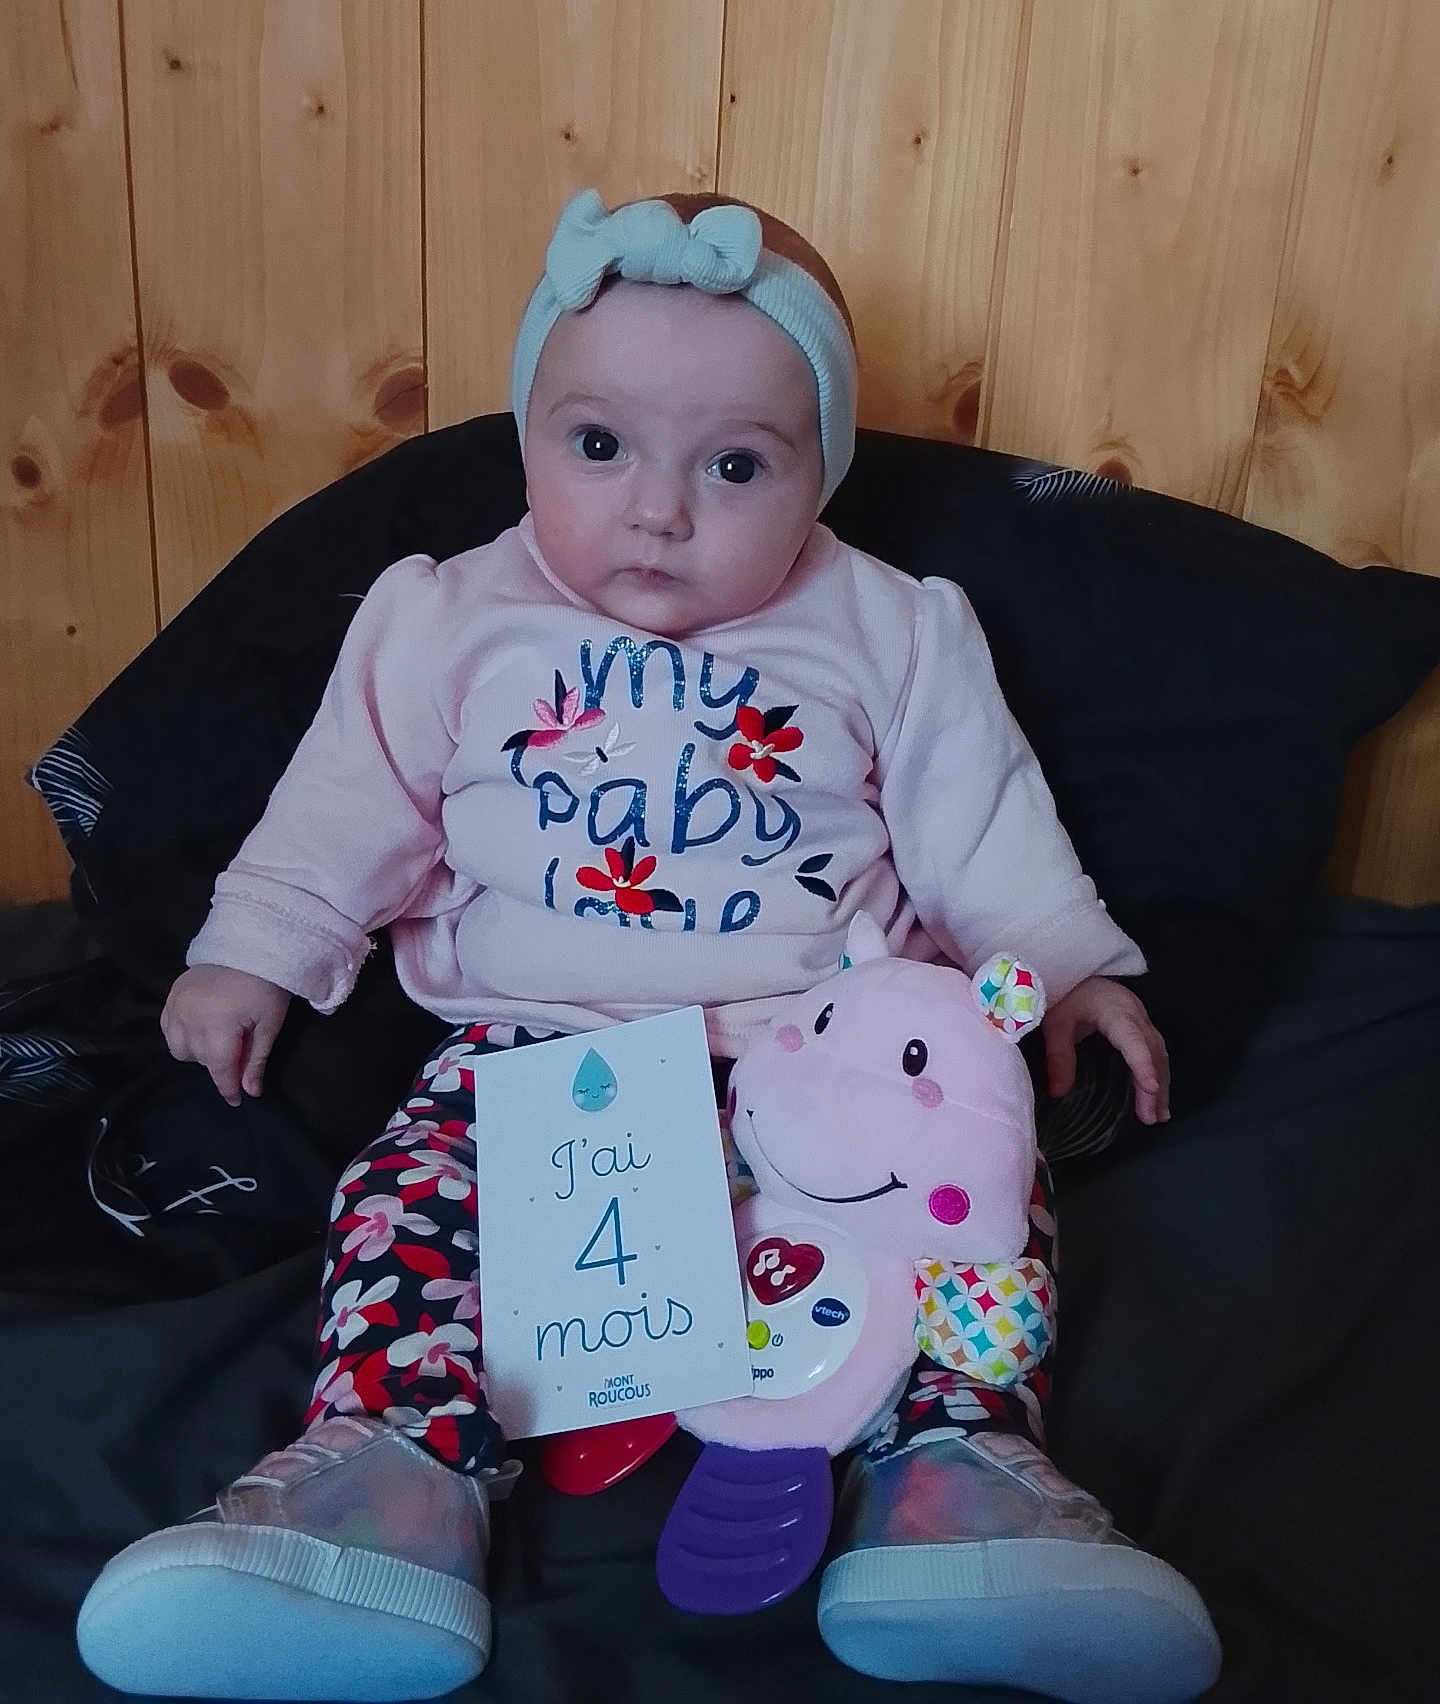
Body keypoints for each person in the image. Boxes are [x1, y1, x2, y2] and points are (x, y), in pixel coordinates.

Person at [76, 189, 1218, 1703]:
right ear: (526, 434)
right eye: (599, 445)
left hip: (818, 1050)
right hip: (538, 1057)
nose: (658, 510)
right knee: (409, 1205)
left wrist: (1063, 966)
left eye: (735, 465)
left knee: (973, 1195)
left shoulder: (891, 629)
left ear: (823, 472)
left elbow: (981, 823)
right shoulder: (450, 618)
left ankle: (960, 1479)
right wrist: (259, 948)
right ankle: (396, 1477)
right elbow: (347, 801)